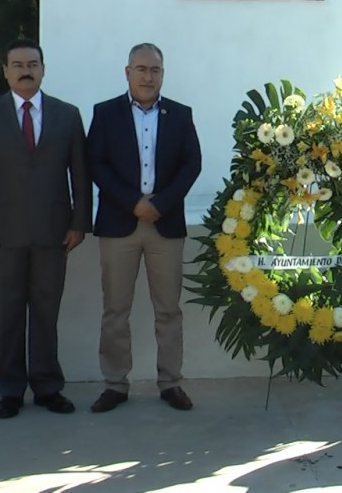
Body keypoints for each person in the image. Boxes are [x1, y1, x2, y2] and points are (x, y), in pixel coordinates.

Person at [87, 42, 202, 412]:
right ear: (127, 72)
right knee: (115, 310)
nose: (147, 76)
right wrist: (132, 202)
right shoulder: (105, 113)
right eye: (141, 69)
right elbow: (97, 164)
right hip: (119, 224)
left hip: (164, 226)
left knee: (168, 309)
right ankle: (115, 384)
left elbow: (192, 164)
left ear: (162, 75)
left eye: (155, 70)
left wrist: (160, 204)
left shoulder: (180, 115)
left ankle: (170, 382)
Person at [0, 38, 92, 419]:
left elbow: (80, 175)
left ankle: (48, 388)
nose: (25, 70)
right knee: (6, 315)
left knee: (46, 314)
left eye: (32, 63)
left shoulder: (67, 116)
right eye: (17, 64)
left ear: (43, 68)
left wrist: (79, 222)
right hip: (4, 237)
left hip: (54, 234)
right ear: (5, 70)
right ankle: (10, 390)